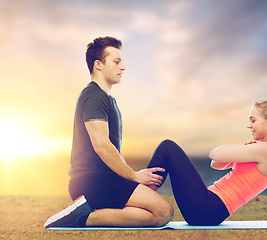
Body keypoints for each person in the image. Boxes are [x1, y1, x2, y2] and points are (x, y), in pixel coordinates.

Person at [44, 36, 173, 228]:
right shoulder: (94, 95)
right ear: (99, 65)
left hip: (105, 179)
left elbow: (111, 150)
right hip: (92, 181)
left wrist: (132, 175)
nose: (123, 67)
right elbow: (102, 146)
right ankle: (82, 217)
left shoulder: (108, 99)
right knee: (163, 211)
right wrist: (133, 176)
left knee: (157, 208)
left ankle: (88, 212)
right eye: (116, 61)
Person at [146, 98, 267, 225]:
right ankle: (141, 196)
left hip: (207, 208)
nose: (249, 125)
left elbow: (215, 153)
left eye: (253, 120)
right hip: (209, 208)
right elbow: (216, 164)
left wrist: (240, 147)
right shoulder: (264, 151)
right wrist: (243, 149)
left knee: (167, 147)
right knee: (168, 148)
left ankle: (139, 196)